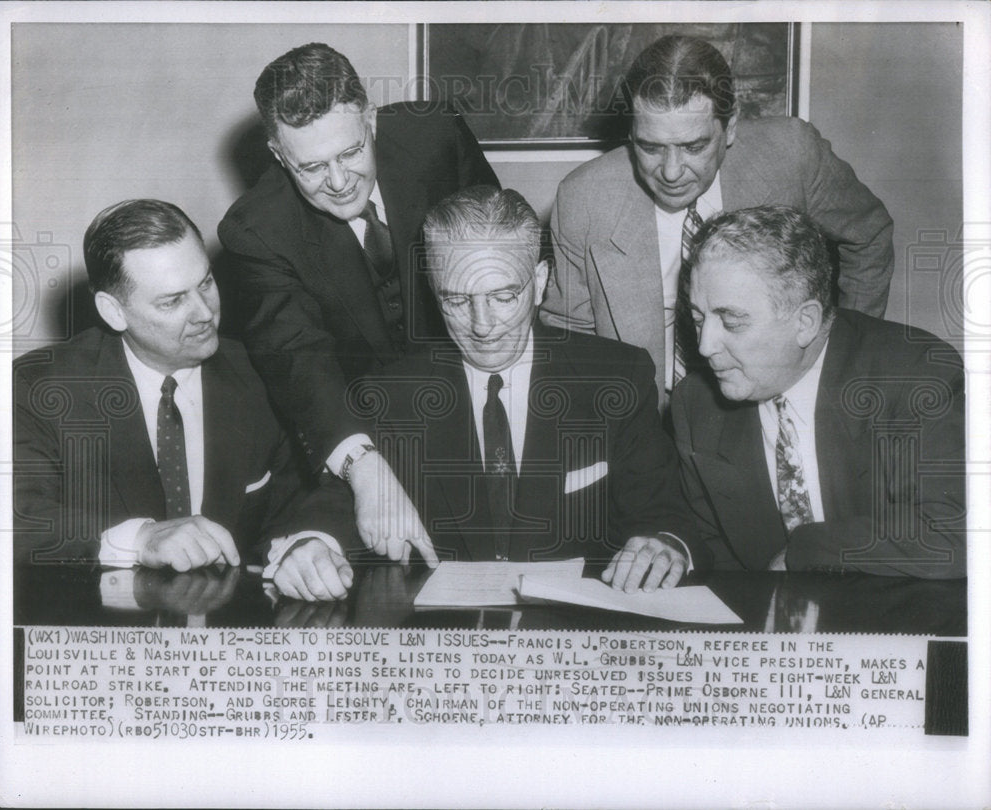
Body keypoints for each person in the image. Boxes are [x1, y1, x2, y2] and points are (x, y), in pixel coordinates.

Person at [346, 186, 710, 591]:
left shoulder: (615, 377)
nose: (482, 325)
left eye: (503, 296)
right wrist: (312, 543)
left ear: (539, 282)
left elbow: (662, 511)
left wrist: (664, 545)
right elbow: (330, 503)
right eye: (456, 301)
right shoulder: (392, 393)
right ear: (433, 291)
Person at [218, 43, 499, 566]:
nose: (341, 182)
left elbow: (501, 252)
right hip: (356, 421)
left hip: (472, 393)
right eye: (312, 168)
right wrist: (364, 465)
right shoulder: (255, 230)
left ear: (371, 120)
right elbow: (299, 359)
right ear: (279, 155)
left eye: (350, 152)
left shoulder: (435, 135)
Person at [14, 200, 359, 602]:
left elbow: (325, 488)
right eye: (172, 301)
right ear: (113, 311)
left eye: (206, 284)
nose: (204, 313)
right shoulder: (39, 387)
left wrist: (306, 541)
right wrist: (141, 539)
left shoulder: (265, 371)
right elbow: (15, 518)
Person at [542, 34, 894, 408]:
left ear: (732, 128)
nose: (671, 172)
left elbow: (869, 235)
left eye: (694, 147)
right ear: (631, 132)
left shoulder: (792, 155)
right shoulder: (584, 198)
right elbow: (572, 335)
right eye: (650, 147)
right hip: (647, 411)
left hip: (767, 401)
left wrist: (837, 356)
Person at [672, 205, 965, 578]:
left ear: (805, 322)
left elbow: (956, 532)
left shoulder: (912, 374)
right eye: (698, 319)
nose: (704, 346)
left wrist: (806, 550)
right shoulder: (694, 405)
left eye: (730, 321)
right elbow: (713, 555)